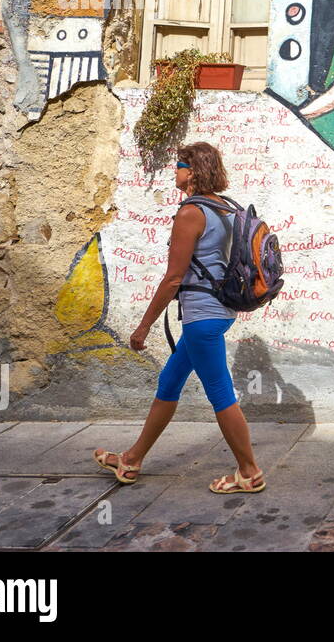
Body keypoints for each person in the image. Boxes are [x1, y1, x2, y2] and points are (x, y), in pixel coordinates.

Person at [93, 141, 265, 495]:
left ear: (192, 172)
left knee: (220, 393)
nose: (175, 171)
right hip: (218, 311)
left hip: (202, 316)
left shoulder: (192, 212)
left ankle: (249, 471)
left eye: (179, 166)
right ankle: (132, 459)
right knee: (169, 382)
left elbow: (174, 277)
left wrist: (144, 326)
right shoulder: (228, 210)